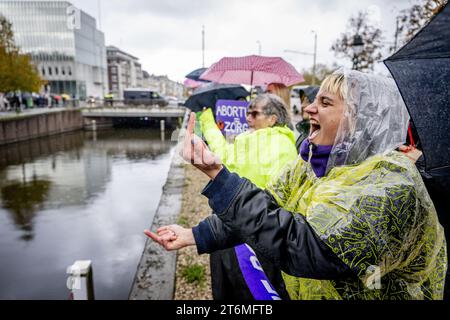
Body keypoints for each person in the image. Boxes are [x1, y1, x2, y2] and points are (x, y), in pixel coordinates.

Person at [146, 70, 447, 300]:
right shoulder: (312, 167)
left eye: (325, 103)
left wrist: (218, 176)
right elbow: (267, 206)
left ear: (361, 119)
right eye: (313, 101)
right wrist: (194, 235)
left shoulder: (391, 185)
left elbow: (308, 247)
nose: (308, 110)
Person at [197, 93, 298, 300]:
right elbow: (224, 154)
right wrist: (207, 120)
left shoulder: (277, 145)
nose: (248, 118)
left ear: (272, 119)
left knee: (249, 289)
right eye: (247, 113)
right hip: (241, 226)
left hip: (254, 232)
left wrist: (206, 118)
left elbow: (279, 197)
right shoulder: (252, 139)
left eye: (254, 113)